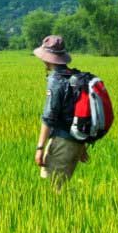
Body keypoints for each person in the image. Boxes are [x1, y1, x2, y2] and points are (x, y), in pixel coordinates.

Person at [33, 35, 88, 186]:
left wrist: (40, 148)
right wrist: (81, 145)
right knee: (59, 188)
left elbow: (48, 117)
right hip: (75, 141)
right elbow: (77, 113)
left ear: (47, 58)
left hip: (62, 142)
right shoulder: (75, 77)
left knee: (54, 190)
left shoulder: (56, 80)